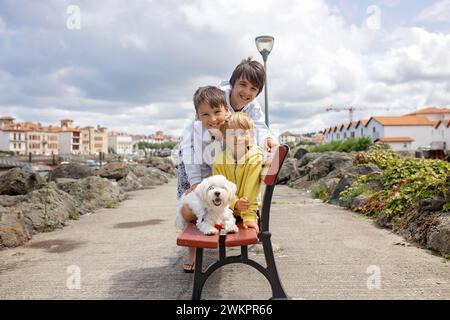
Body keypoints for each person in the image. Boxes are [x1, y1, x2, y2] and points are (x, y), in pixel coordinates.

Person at [213, 113, 263, 233]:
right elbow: (219, 189)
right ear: (224, 137)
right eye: (232, 134)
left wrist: (249, 216)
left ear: (250, 134)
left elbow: (251, 190)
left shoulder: (255, 158)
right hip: (225, 209)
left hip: (247, 210)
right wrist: (234, 203)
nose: (238, 138)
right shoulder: (219, 161)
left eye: (242, 133)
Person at [218, 57, 278, 152]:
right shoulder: (215, 99)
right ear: (232, 84)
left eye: (253, 88)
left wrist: (267, 139)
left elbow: (259, 128)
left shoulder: (253, 106)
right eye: (243, 84)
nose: (247, 92)